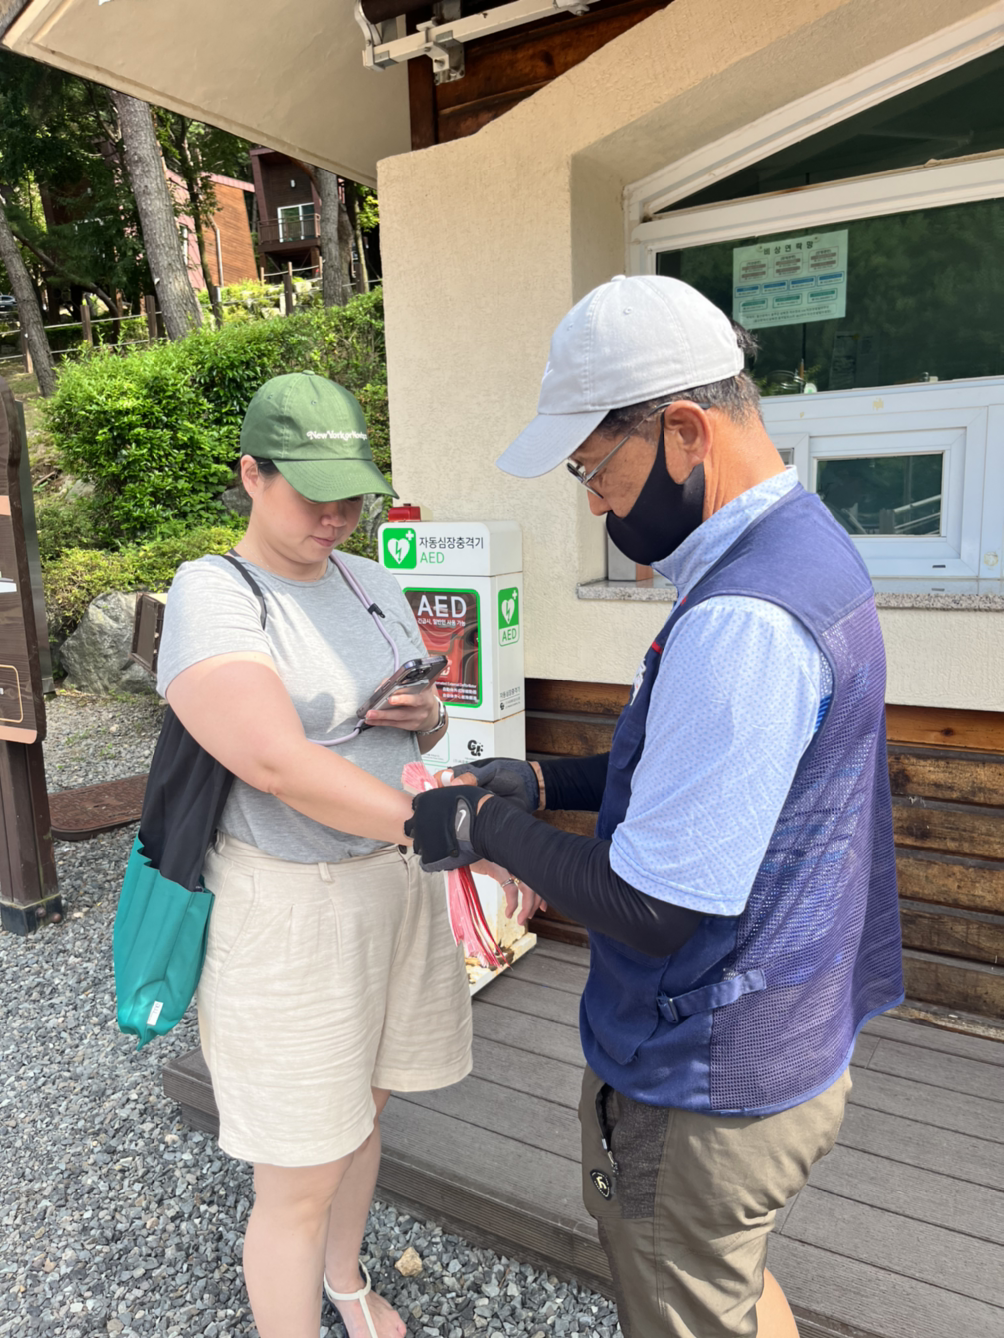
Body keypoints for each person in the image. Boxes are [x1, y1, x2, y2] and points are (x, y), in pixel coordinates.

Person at [405, 276, 904, 1338]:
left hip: (704, 1081)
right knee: (731, 1278)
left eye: (594, 468)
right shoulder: (805, 547)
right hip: (791, 1033)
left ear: (683, 431)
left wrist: (484, 828)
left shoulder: (742, 620)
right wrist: (545, 783)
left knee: (690, 1293)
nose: (592, 502)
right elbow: (712, 777)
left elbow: (655, 905)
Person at [156, 372, 472, 1338]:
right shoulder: (217, 591)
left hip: (394, 884)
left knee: (363, 1116)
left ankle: (345, 1281)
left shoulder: (371, 580)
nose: (336, 517)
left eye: (353, 496)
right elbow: (272, 760)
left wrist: (427, 712)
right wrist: (449, 827)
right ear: (252, 475)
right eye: (313, 494)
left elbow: (423, 726)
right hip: (290, 904)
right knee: (298, 1166)